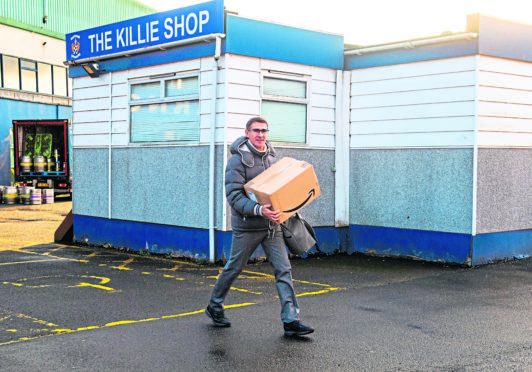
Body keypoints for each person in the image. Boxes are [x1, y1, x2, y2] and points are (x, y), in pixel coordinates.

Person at [205, 116, 314, 337]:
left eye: (264, 131)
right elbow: (234, 196)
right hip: (247, 227)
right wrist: (259, 210)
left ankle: (291, 320)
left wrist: (284, 208)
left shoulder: (272, 157)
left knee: (283, 269)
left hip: (271, 227)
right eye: (256, 131)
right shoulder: (237, 161)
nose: (260, 135)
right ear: (247, 133)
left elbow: (279, 189)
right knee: (234, 267)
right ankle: (214, 306)